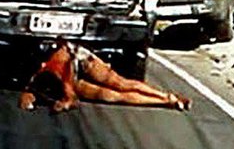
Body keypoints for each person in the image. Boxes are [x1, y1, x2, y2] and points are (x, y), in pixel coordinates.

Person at [19, 39, 191, 113]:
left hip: (80, 59)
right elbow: (28, 94)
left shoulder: (59, 68)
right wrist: (28, 100)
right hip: (72, 77)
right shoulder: (37, 78)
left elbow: (72, 99)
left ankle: (166, 95)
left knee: (121, 84)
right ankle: (164, 102)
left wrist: (64, 104)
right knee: (112, 97)